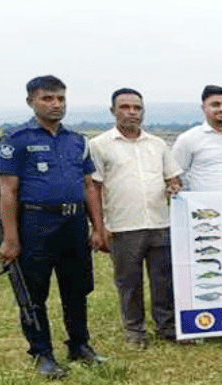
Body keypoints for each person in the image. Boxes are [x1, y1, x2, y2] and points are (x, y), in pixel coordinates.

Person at [0, 75, 107, 379]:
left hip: (73, 223)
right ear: (31, 101)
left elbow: (88, 186)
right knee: (34, 292)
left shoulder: (76, 140)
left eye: (60, 98)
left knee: (77, 289)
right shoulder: (16, 140)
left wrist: (98, 228)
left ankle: (80, 346)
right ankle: (41, 353)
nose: (56, 104)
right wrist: (10, 237)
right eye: (48, 98)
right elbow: (8, 191)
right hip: (36, 223)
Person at [89, 88, 184, 350]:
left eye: (137, 108)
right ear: (113, 111)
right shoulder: (99, 145)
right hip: (123, 226)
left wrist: (173, 186)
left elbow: (173, 177)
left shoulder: (157, 144)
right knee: (129, 283)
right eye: (125, 107)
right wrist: (99, 227)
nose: (131, 112)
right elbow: (93, 188)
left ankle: (167, 327)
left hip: (159, 223)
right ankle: (134, 331)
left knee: (163, 280)